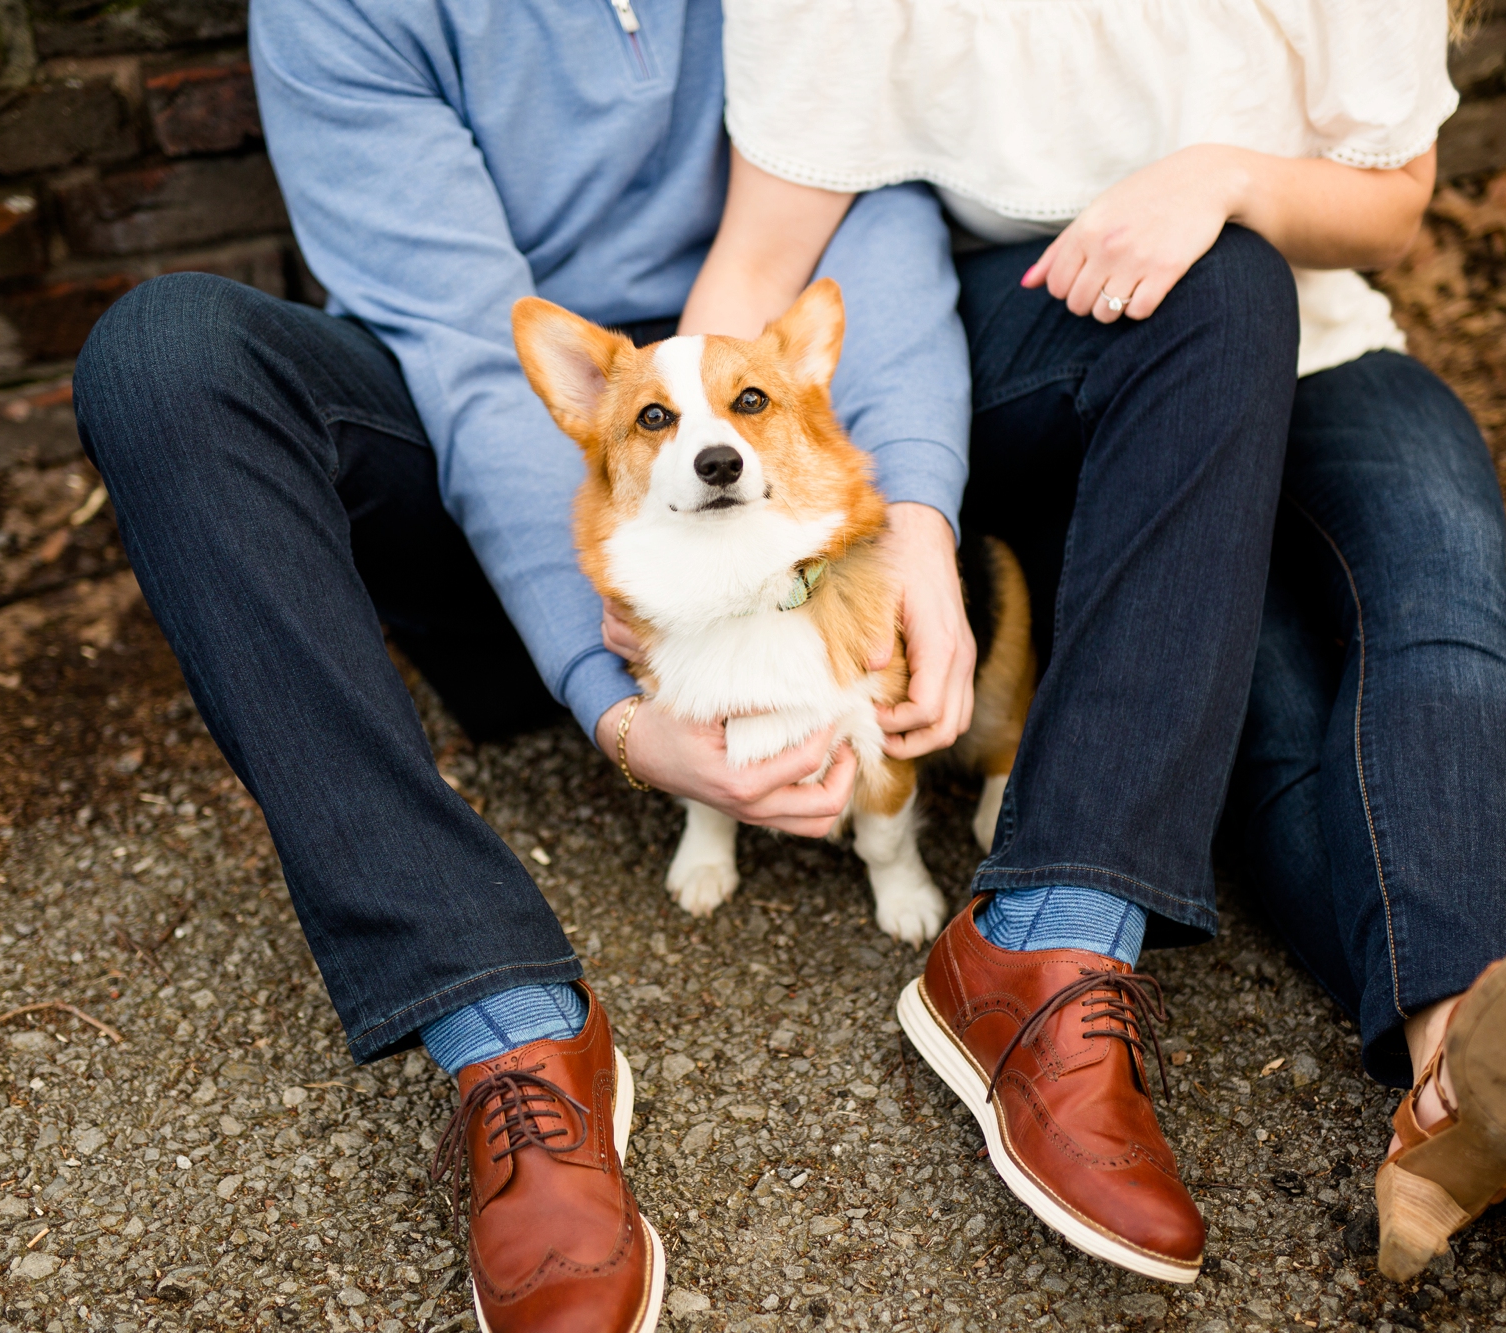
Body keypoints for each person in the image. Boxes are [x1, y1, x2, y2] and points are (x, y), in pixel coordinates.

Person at [687, 0, 1506, 1299]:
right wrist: (682, 595)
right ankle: (1048, 933)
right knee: (1239, 416)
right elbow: (755, 265)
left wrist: (1224, 177)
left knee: (1433, 560)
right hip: (1033, 358)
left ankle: (1485, 1081)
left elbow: (1393, 202)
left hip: (1312, 332)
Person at [71, 2, 979, 1327]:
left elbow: (877, 195)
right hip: (500, 465)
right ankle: (503, 1028)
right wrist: (616, 702)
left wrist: (912, 527)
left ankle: (1063, 909)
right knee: (163, 357)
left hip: (780, 452)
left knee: (1171, 281)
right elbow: (471, 350)